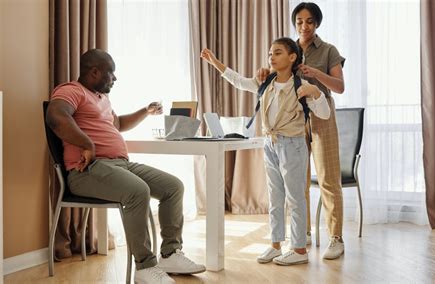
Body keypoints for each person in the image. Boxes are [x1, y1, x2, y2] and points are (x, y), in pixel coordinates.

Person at [46, 49, 206, 284]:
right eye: (111, 74)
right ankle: (144, 267)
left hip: (120, 165)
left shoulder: (101, 98)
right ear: (94, 72)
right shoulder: (71, 91)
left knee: (173, 187)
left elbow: (117, 123)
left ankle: (170, 254)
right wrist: (86, 143)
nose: (115, 79)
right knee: (137, 191)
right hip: (86, 171)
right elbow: (55, 116)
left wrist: (145, 111)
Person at [201, 37, 330, 265]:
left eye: (278, 52)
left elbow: (325, 114)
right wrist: (215, 63)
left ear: (292, 57)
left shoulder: (301, 85)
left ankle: (299, 250)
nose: (271, 56)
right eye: (270, 53)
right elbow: (238, 81)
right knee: (275, 197)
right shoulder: (265, 82)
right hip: (270, 143)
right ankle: (276, 244)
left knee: (295, 198)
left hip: (293, 144)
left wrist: (315, 92)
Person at [258, 2, 346, 260]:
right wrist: (265, 71)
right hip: (293, 121)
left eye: (308, 21)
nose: (304, 26)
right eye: (299, 21)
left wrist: (316, 74)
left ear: (316, 23)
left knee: (329, 179)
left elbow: (340, 86)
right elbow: (275, 78)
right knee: (298, 182)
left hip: (321, 116)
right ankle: (302, 235)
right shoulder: (289, 49)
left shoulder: (329, 50)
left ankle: (335, 238)